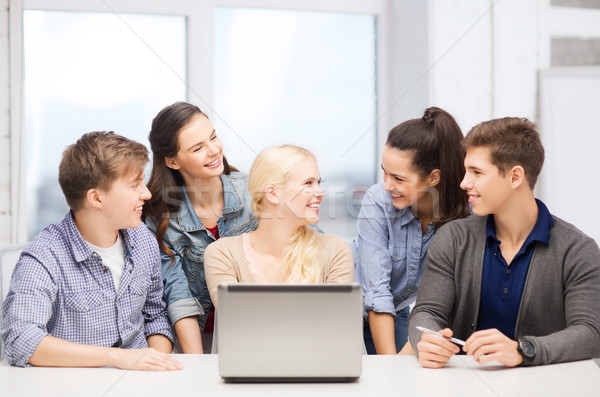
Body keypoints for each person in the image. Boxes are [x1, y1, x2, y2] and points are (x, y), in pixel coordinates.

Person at [408, 117, 600, 367]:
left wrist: (523, 350)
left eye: (476, 172)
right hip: (462, 385)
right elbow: (425, 313)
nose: (463, 183)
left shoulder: (577, 250)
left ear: (515, 177)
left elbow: (590, 333)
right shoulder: (453, 239)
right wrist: (427, 338)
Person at [0, 131, 181, 371]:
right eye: (134, 185)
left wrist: (154, 363)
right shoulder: (44, 255)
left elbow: (155, 318)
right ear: (96, 198)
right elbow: (21, 340)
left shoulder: (143, 241)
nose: (146, 194)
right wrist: (116, 358)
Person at [143, 102, 257, 353]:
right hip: (196, 341)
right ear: (172, 161)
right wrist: (197, 365)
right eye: (198, 148)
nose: (214, 150)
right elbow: (178, 297)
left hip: (254, 336)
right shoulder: (158, 219)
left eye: (213, 137)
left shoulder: (253, 192)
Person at [354, 107, 469, 355]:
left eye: (398, 178)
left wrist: (399, 362)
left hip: (397, 310)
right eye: (384, 172)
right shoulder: (378, 200)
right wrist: (390, 366)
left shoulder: (468, 218)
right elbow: (377, 292)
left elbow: (445, 302)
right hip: (351, 309)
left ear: (433, 177)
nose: (386, 185)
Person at [204, 145, 354, 309]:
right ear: (273, 193)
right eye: (308, 183)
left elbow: (335, 327)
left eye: (318, 182)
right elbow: (239, 326)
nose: (320, 192)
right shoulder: (223, 254)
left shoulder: (336, 251)